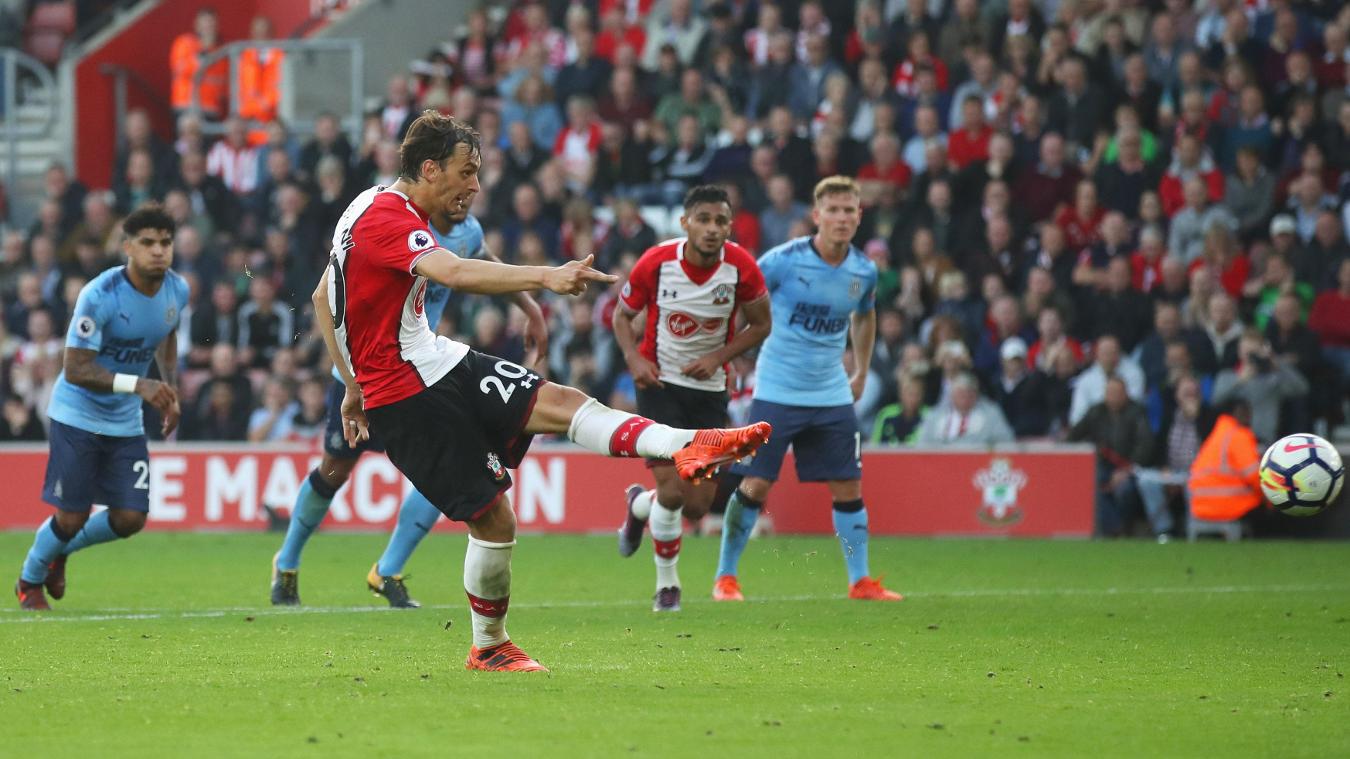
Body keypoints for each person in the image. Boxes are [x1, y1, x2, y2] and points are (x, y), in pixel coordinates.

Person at [312, 112, 771, 672]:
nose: (476, 185)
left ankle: (688, 444)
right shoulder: (389, 217)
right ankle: (489, 647)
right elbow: (454, 271)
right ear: (429, 169)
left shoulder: (365, 203)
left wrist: (349, 386)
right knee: (496, 522)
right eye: (467, 171)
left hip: (432, 357)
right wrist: (547, 276)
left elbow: (321, 297)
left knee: (564, 402)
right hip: (407, 395)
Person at [270, 203, 548, 609]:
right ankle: (288, 562)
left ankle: (387, 571)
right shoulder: (391, 223)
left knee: (446, 468)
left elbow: (487, 262)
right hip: (359, 373)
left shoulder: (467, 230)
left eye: (475, 180)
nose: (469, 192)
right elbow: (325, 294)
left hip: (417, 376)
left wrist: (531, 308)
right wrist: (349, 379)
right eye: (463, 176)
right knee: (336, 469)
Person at [713, 176, 902, 604]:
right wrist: (729, 356)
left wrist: (861, 372)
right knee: (756, 486)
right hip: (778, 389)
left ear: (859, 216)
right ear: (816, 216)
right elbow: (742, 302)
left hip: (832, 393)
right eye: (832, 210)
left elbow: (865, 317)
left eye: (849, 210)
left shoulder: (863, 271)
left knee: (848, 487)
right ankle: (726, 576)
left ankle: (861, 581)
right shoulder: (781, 261)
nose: (841, 218)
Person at [14, 205, 188, 610]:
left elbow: (166, 334)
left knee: (131, 518)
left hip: (123, 420)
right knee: (71, 517)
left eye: (165, 242)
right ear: (127, 246)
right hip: (77, 415)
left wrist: (171, 389)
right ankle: (29, 579)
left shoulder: (177, 290)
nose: (158, 251)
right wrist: (140, 384)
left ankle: (62, 551)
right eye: (147, 243)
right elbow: (74, 368)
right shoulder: (100, 294)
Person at [612, 185, 771, 612]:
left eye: (721, 221)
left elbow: (761, 325)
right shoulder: (657, 262)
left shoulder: (741, 267)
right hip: (659, 385)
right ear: (685, 223)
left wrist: (720, 356)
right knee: (673, 490)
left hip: (708, 393)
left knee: (698, 507)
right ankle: (668, 587)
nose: (712, 229)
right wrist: (634, 361)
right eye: (703, 219)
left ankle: (637, 505)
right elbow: (621, 316)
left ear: (729, 226)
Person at [1067, 377, 1154, 537]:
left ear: (1125, 394)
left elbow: (1145, 444)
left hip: (1130, 466)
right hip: (1102, 464)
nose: (1113, 396)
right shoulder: (1096, 411)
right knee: (1092, 484)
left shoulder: (1137, 412)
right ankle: (1114, 528)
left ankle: (1123, 529)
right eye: (1110, 392)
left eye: (1117, 392)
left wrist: (1128, 469)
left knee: (1125, 491)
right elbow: (1073, 436)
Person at [1187, 400, 1262, 526]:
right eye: (1246, 412)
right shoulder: (1239, 435)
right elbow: (1254, 476)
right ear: (1237, 413)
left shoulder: (1217, 435)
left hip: (1201, 507)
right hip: (1230, 506)